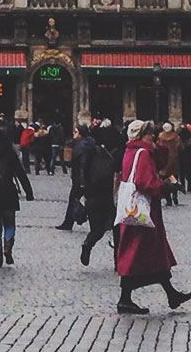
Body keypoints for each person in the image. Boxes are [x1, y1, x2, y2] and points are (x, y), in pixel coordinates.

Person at [116, 120, 191, 314]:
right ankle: (125, 299)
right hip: (143, 214)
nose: (153, 137)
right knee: (139, 254)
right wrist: (166, 187)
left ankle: (171, 294)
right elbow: (144, 182)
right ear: (142, 135)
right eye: (150, 134)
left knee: (154, 253)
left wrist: (158, 149)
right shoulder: (142, 154)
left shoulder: (133, 151)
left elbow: (155, 165)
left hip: (139, 213)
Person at [0, 125, 33, 267]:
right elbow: (20, 173)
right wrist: (28, 192)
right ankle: (8, 247)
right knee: (10, 224)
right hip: (8, 191)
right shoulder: (10, 153)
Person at [80, 128, 122, 266]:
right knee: (117, 230)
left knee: (97, 229)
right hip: (111, 197)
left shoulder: (91, 153)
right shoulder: (118, 153)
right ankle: (118, 261)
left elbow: (83, 172)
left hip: (93, 195)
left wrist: (83, 192)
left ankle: (88, 243)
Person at [57, 124, 93, 230]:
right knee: (82, 200)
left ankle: (70, 222)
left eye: (76, 132)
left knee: (75, 199)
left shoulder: (83, 146)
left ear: (81, 133)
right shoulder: (82, 144)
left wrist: (82, 182)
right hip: (81, 178)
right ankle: (70, 222)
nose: (74, 134)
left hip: (81, 179)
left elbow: (83, 164)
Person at [157, 123, 181, 206]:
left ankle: (168, 199)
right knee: (173, 178)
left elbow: (157, 145)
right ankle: (175, 193)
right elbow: (180, 146)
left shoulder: (161, 136)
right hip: (174, 160)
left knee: (164, 180)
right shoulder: (176, 137)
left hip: (164, 160)